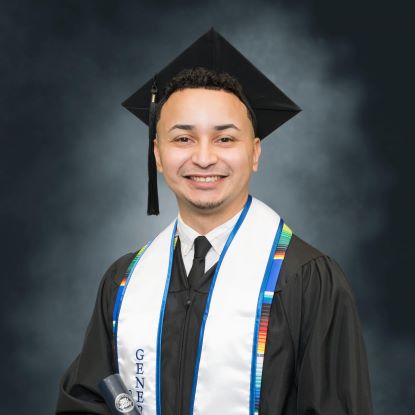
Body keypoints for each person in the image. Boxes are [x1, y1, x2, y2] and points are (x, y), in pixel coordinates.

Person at [56, 28, 373, 415]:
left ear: (254, 153)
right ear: (157, 154)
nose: (204, 158)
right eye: (183, 139)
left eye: (225, 139)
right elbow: (85, 400)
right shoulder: (124, 282)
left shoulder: (307, 280)